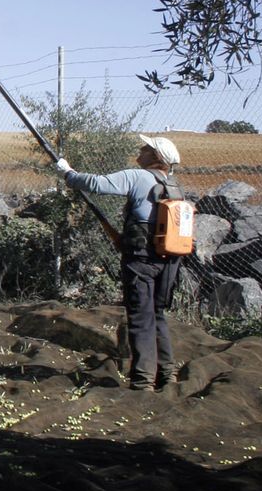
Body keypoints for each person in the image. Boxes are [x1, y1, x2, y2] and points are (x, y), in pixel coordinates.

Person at [54, 135, 184, 391]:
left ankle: (143, 380)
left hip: (141, 260)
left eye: (146, 148)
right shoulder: (174, 185)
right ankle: (168, 375)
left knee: (140, 316)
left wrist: (68, 173)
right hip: (169, 262)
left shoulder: (138, 176)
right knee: (157, 315)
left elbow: (96, 184)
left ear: (156, 157)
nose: (141, 149)